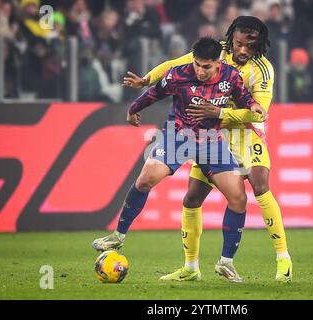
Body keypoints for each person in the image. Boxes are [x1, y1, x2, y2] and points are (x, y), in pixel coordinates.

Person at [122, 16, 293, 283]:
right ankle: (191, 267)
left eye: (250, 45)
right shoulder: (216, 51)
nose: (243, 50)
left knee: (260, 185)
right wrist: (147, 80)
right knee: (192, 199)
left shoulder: (264, 69)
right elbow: (174, 65)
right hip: (212, 134)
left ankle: (283, 259)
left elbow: (260, 114)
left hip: (245, 132)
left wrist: (220, 111)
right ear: (231, 39)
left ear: (259, 44)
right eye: (238, 44)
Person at [92, 37, 267, 283]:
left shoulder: (231, 76)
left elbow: (242, 98)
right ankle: (118, 236)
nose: (200, 70)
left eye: (206, 66)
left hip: (212, 141)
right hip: (178, 137)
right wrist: (133, 109)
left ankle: (226, 262)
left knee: (239, 199)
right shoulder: (178, 75)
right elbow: (153, 94)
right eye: (197, 64)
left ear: (218, 63)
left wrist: (254, 105)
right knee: (146, 179)